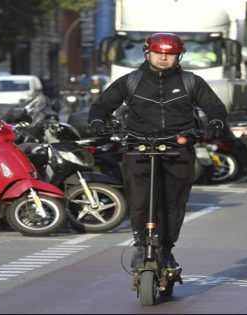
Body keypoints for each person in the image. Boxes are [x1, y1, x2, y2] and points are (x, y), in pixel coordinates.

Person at [87, 33, 228, 270]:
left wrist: (214, 124)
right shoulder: (130, 81)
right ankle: (142, 247)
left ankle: (166, 249)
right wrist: (97, 123)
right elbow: (101, 106)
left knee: (173, 203)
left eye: (169, 54)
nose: (163, 58)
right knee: (140, 200)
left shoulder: (192, 81)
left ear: (178, 56)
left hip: (178, 148)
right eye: (159, 53)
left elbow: (215, 108)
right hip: (138, 146)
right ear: (147, 53)